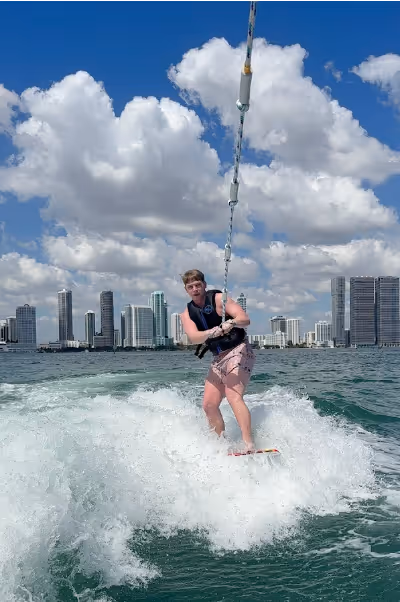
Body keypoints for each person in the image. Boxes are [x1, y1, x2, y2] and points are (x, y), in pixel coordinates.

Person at [180, 268, 256, 451]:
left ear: (204, 285)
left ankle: (249, 444)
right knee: (208, 405)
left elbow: (245, 319)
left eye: (198, 285)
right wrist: (212, 332)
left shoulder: (218, 299)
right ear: (186, 290)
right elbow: (193, 337)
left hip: (239, 350)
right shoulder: (187, 313)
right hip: (218, 358)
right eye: (191, 286)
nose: (195, 289)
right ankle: (221, 444)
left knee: (233, 395)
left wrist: (231, 322)